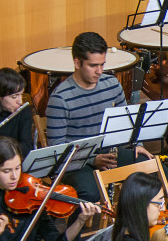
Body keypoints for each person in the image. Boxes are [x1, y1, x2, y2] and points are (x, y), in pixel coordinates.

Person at [45, 31, 152, 202]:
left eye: (102, 64)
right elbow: (57, 151)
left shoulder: (112, 84)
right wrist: (93, 159)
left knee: (154, 170)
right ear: (77, 62)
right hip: (76, 162)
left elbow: (128, 122)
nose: (99, 71)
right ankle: (75, 227)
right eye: (93, 65)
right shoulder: (60, 98)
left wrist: (136, 143)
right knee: (90, 193)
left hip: (107, 152)